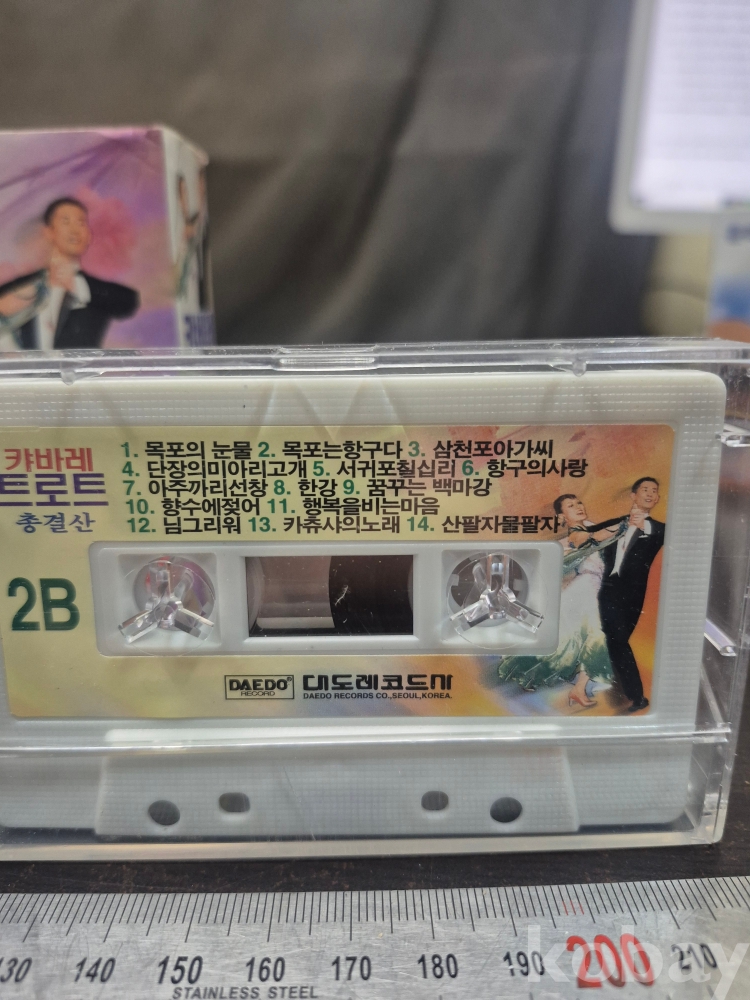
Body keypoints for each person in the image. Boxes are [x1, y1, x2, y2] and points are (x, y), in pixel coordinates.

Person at [497, 494, 622, 709]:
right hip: (583, 590)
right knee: (593, 635)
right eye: (571, 506)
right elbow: (595, 540)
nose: (579, 507)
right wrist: (625, 524)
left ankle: (578, 689)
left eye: (579, 503)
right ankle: (578, 688)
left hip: (594, 589)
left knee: (582, 638)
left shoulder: (589, 528)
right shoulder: (576, 536)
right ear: (562, 517)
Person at [0, 197, 139, 349]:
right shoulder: (25, 285)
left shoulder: (94, 290)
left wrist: (76, 285)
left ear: (89, 235)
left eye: (81, 223)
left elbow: (127, 303)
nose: (75, 230)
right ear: (48, 232)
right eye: (66, 222)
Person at [595, 477, 665, 713]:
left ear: (657, 499)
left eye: (654, 491)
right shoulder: (614, 525)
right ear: (633, 495)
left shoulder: (658, 529)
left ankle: (625, 694)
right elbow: (586, 534)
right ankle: (636, 696)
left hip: (634, 596)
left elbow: (665, 534)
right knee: (615, 639)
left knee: (616, 642)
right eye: (645, 489)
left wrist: (642, 525)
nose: (650, 493)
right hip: (606, 589)